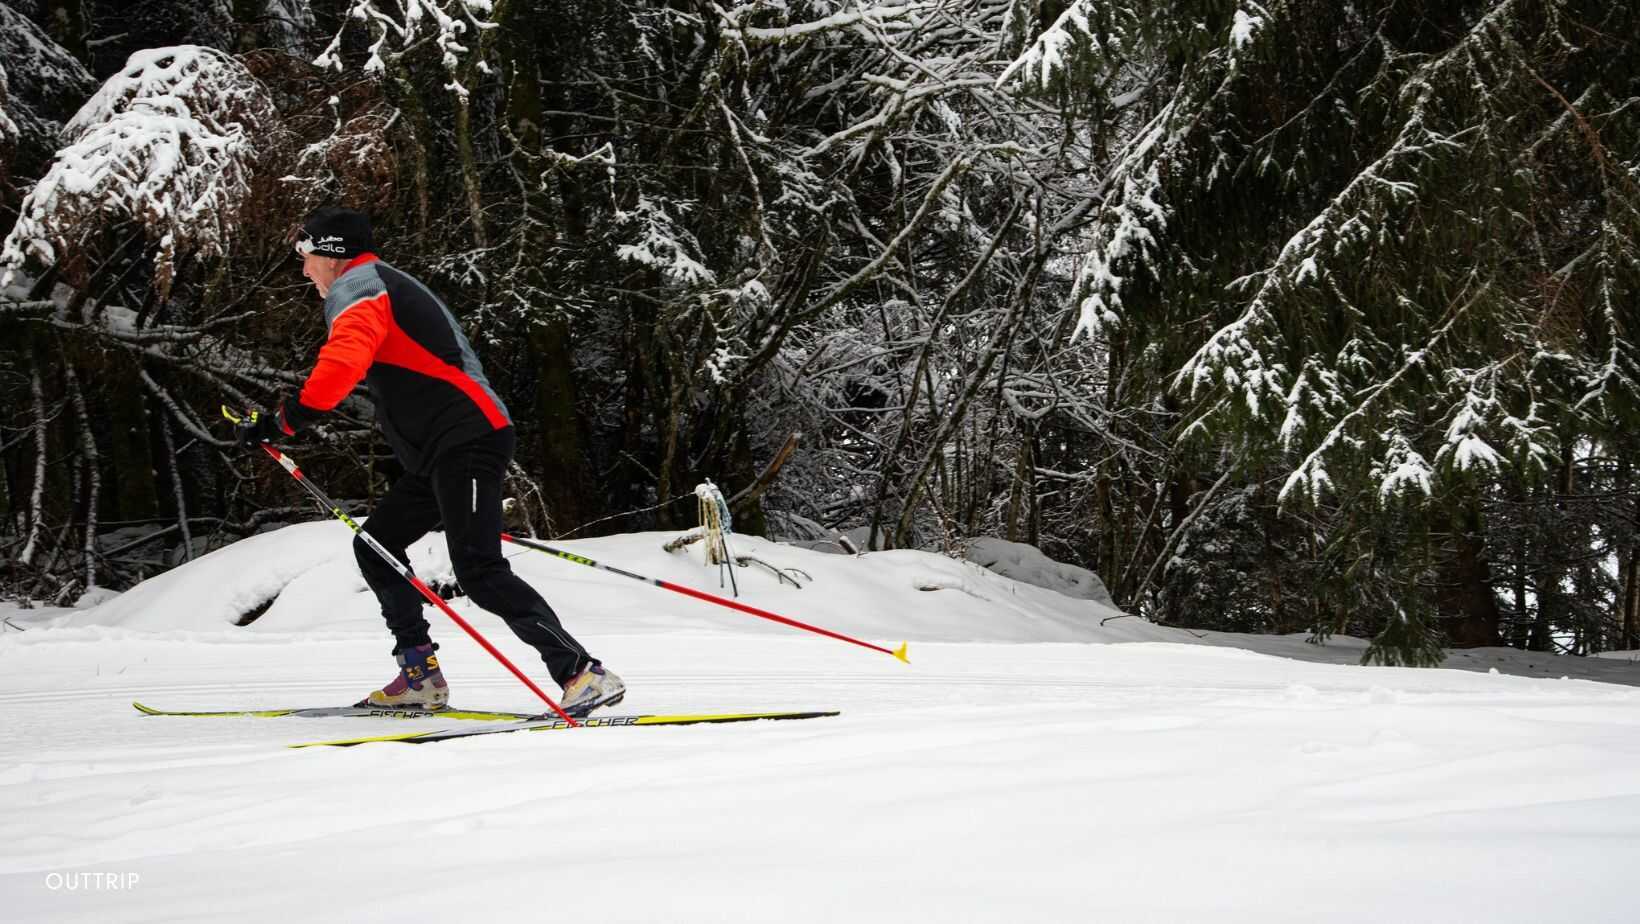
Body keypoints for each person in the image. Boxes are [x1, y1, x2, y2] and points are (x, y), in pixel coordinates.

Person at [238, 206, 624, 716]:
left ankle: (582, 673)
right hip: (442, 451)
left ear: (330, 254)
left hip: (467, 439)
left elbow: (341, 366)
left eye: (305, 257)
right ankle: (420, 676)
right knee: (377, 546)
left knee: (479, 569)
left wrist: (282, 421)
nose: (305, 270)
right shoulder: (376, 282)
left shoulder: (359, 287)